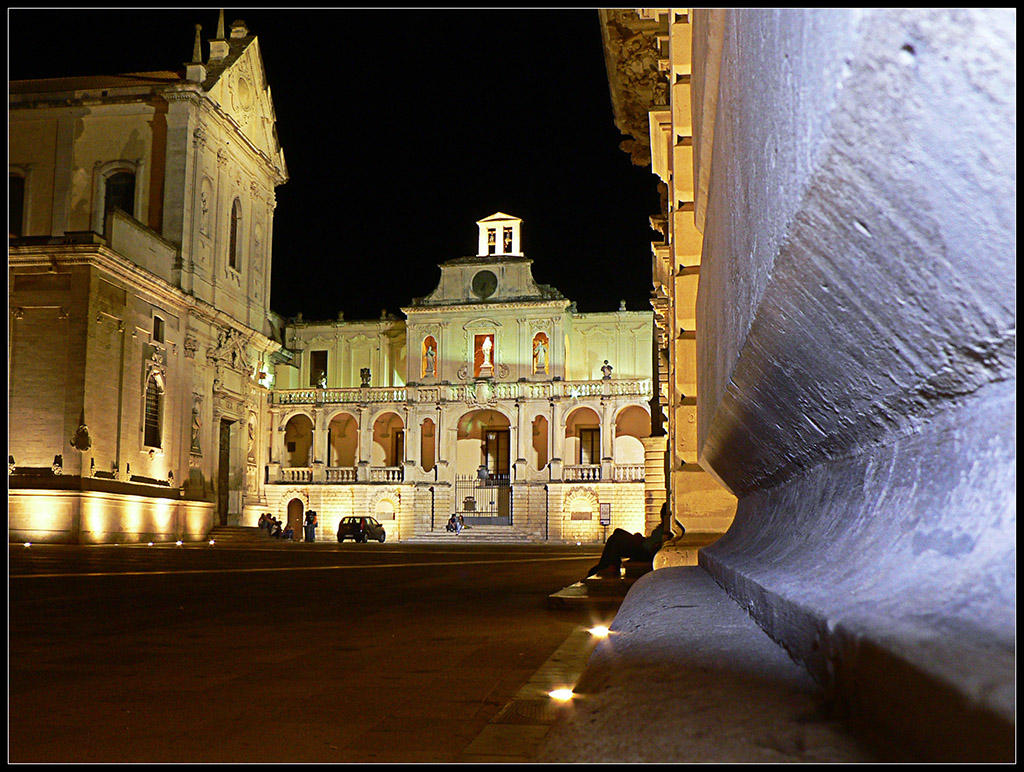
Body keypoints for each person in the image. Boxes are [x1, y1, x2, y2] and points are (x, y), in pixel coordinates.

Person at [586, 521, 673, 578]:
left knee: (614, 539)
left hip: (644, 550)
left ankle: (609, 566)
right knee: (618, 531)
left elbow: (654, 545)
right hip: (642, 544)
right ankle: (609, 564)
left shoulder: (666, 529)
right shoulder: (664, 528)